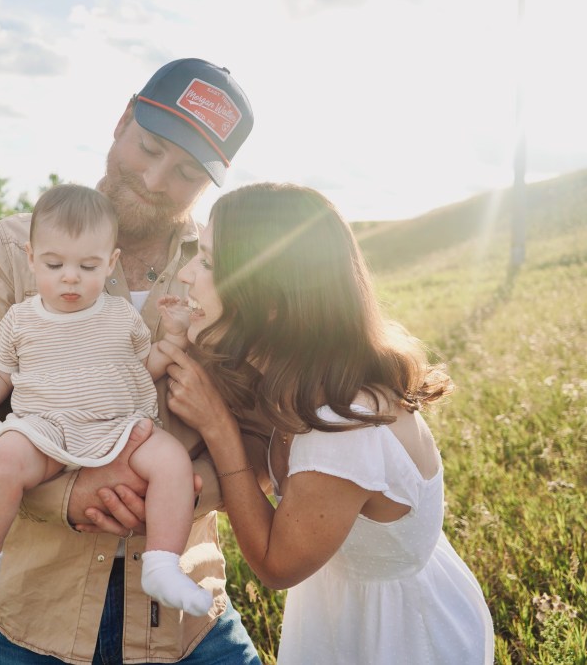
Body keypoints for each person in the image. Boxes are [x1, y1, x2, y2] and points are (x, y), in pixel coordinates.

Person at [0, 58, 262, 663]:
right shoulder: (7, 251)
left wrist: (180, 491)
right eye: (148, 147)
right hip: (32, 619)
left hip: (188, 619)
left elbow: (263, 438)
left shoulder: (229, 268)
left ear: (210, 183)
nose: (153, 180)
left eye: (185, 172)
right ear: (123, 120)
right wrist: (70, 494)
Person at [158, 183, 496, 664]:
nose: (187, 274)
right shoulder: (298, 377)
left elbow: (276, 566)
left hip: (396, 635)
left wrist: (218, 427)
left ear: (270, 300)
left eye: (209, 262)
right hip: (343, 603)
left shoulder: (343, 425)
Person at [0, 184, 212, 627]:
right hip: (46, 431)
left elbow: (142, 368)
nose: (71, 278)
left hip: (120, 428)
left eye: (88, 266)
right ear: (31, 258)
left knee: (172, 459)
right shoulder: (21, 318)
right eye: (54, 265)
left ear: (111, 262)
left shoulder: (119, 315)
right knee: (5, 456)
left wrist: (173, 338)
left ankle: (162, 565)